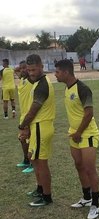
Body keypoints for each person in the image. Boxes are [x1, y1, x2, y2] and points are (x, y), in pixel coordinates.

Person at [54, 59, 99, 219]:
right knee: (79, 165)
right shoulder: (67, 88)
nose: (55, 74)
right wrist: (75, 132)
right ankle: (86, 197)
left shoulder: (83, 89)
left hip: (86, 133)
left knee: (89, 168)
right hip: (74, 133)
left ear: (66, 72)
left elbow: (89, 113)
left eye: (57, 72)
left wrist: (79, 132)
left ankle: (95, 203)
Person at [18, 54, 56, 207]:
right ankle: (40, 189)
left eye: (34, 69)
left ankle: (47, 197)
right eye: (29, 70)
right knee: (33, 159)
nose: (31, 73)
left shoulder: (42, 85)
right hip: (37, 126)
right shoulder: (37, 82)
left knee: (41, 163)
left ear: (41, 66)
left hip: (41, 126)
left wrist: (22, 126)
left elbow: (33, 111)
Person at [15, 60, 34, 173]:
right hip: (23, 115)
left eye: (25, 68)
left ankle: (33, 163)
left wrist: (26, 68)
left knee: (31, 140)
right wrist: (20, 68)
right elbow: (15, 71)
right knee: (22, 139)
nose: (22, 70)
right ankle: (26, 160)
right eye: (21, 68)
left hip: (30, 115)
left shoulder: (31, 80)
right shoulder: (21, 80)